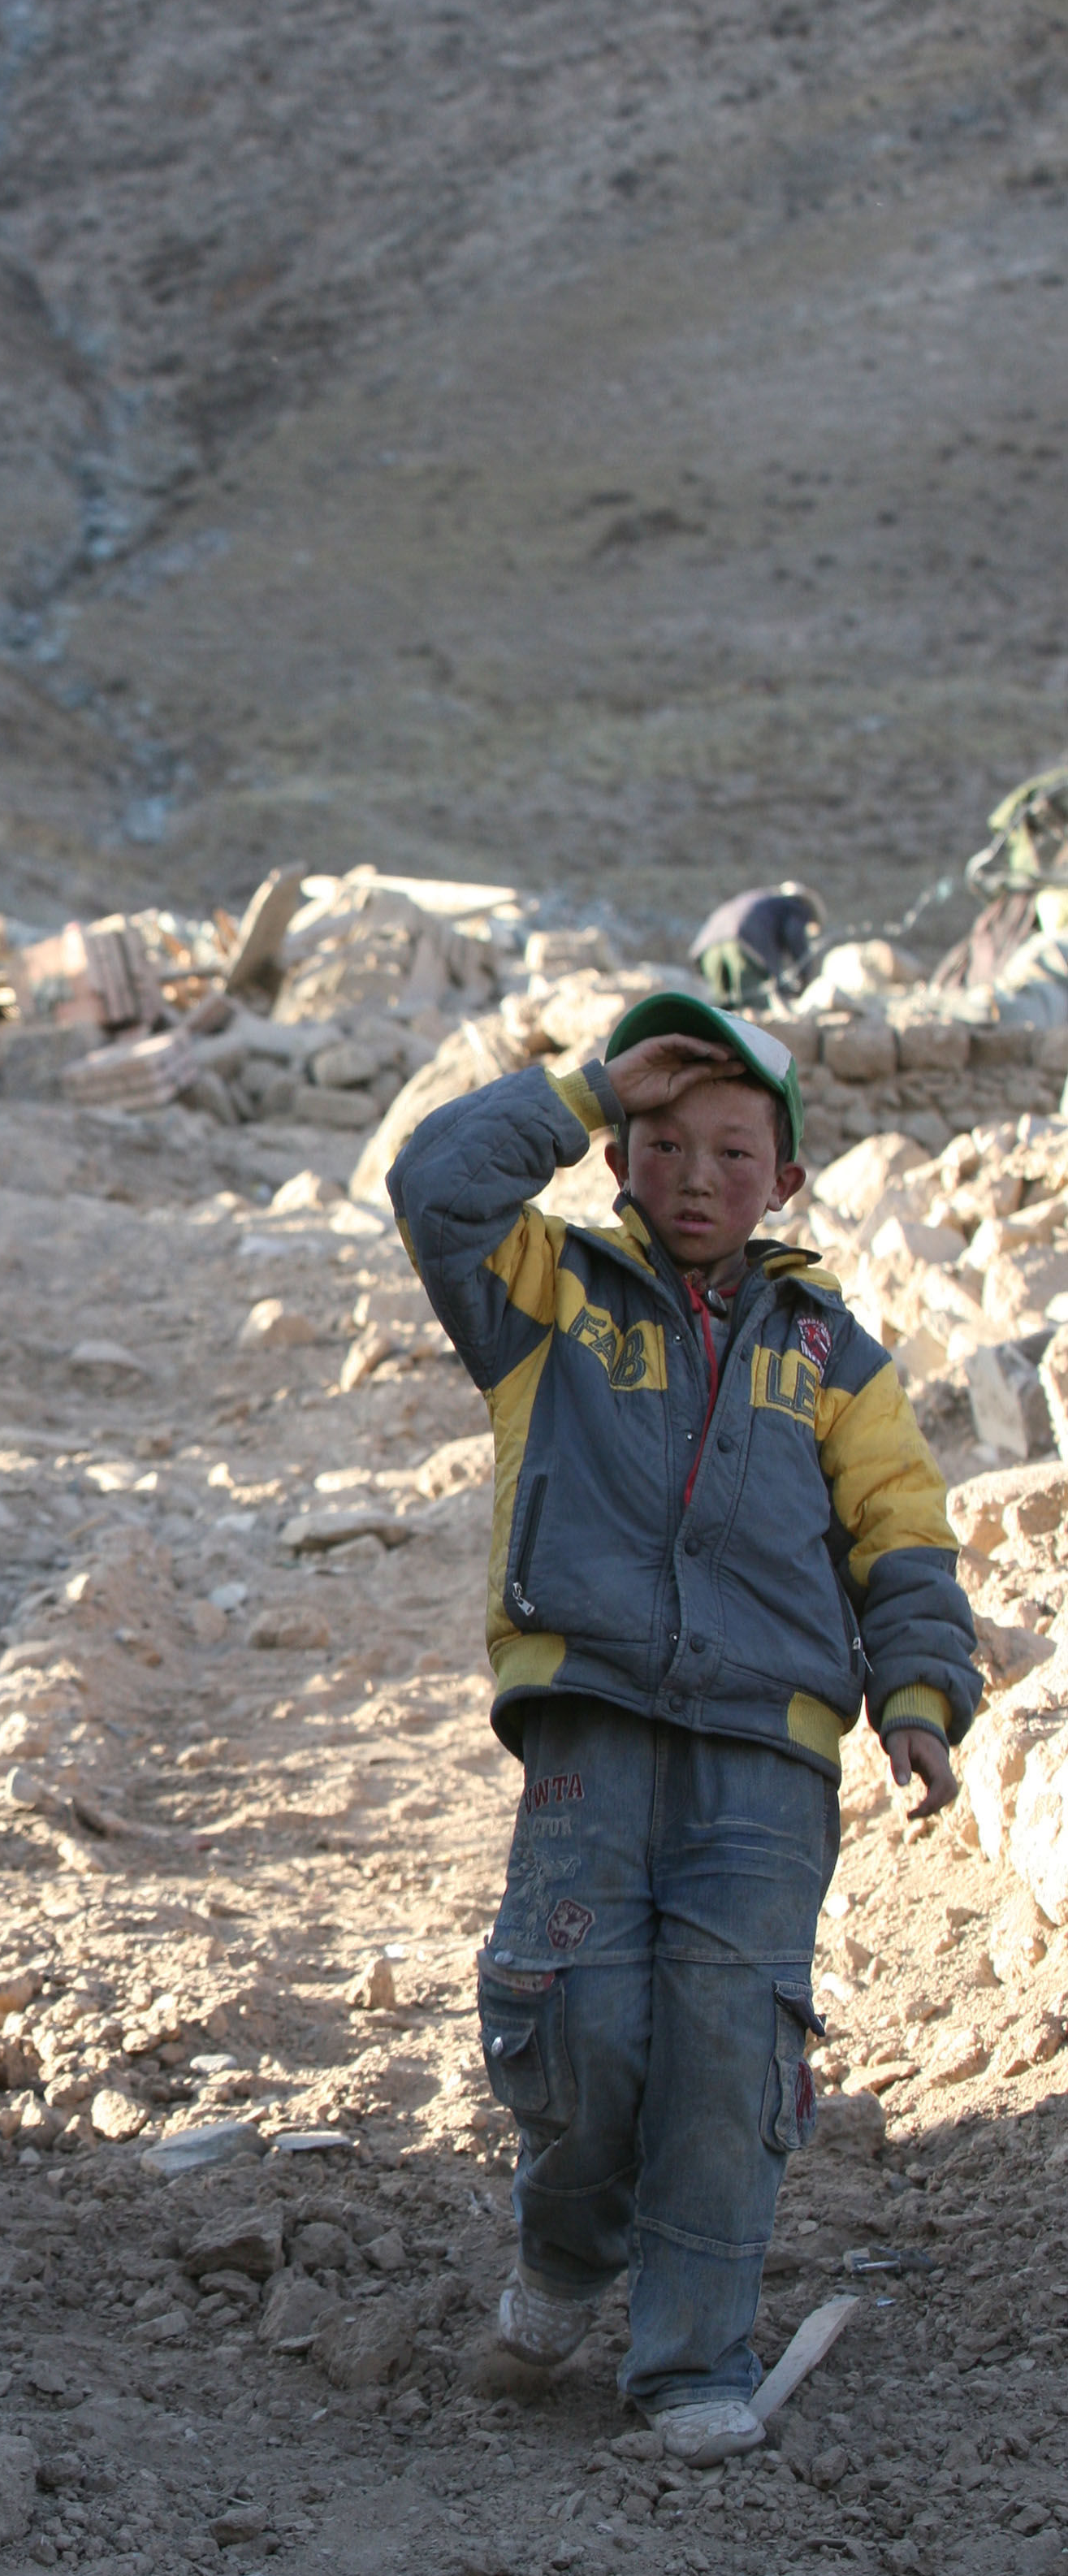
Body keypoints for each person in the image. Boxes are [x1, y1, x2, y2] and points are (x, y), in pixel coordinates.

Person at [387, 989, 979, 2463]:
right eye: (661, 1141)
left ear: (783, 1181)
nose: (696, 1173)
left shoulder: (833, 1352)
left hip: (769, 1755)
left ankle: (688, 2363)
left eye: (732, 1149)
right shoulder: (548, 1298)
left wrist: (916, 1691)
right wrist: (586, 1084)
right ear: (614, 1161)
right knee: (579, 2024)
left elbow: (900, 1533)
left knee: (727, 2053)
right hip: (589, 1727)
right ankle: (567, 2254)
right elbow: (432, 1184)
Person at [689, 883, 824, 1009]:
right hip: (743, 941)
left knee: (721, 1008)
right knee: (753, 1007)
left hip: (708, 947)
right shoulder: (794, 907)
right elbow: (795, 938)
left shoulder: (760, 900)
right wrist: (805, 980)